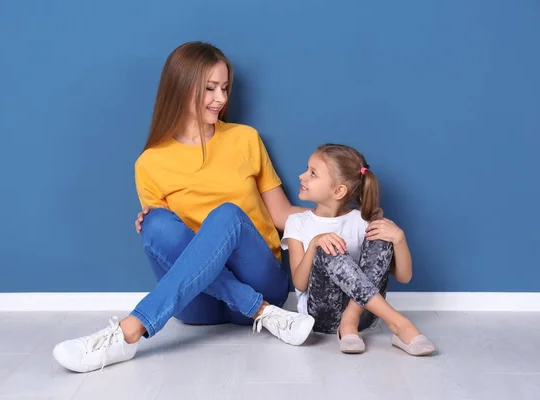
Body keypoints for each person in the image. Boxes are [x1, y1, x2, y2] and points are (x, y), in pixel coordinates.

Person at [53, 41, 315, 373]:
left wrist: (349, 215)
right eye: (209, 88)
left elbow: (281, 215)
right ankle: (261, 312)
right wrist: (155, 224)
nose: (220, 98)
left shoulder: (244, 139)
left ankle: (129, 332)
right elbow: (171, 245)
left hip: (262, 281)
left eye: (224, 88)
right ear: (181, 88)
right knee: (155, 224)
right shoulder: (150, 163)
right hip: (197, 305)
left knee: (227, 214)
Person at [282, 144, 436, 356]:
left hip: (364, 316)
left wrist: (399, 239)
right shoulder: (297, 222)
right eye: (307, 169)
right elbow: (299, 283)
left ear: (338, 191)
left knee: (380, 234)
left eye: (313, 173)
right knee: (327, 247)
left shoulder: (362, 221)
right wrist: (314, 245)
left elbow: (404, 276)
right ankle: (400, 324)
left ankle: (350, 320)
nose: (302, 176)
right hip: (321, 315)